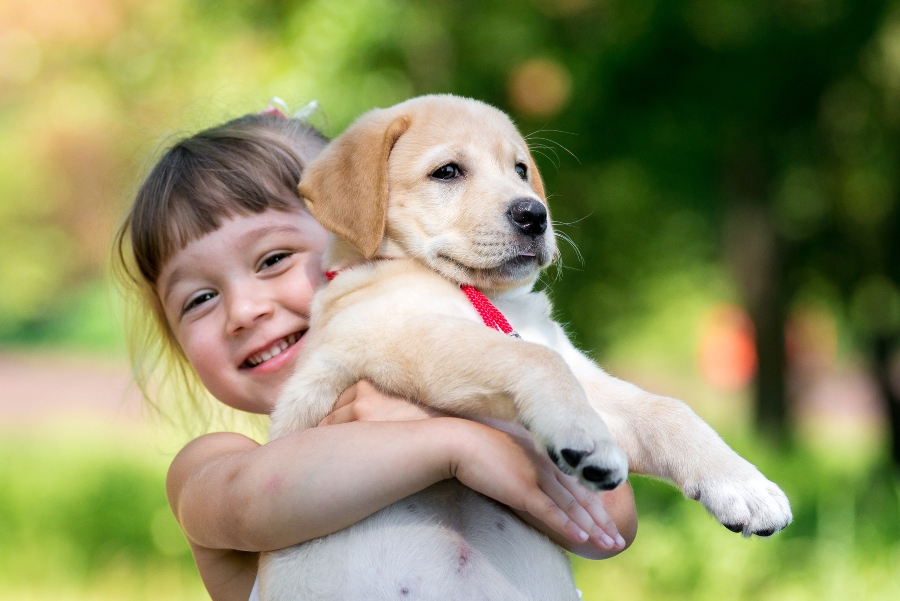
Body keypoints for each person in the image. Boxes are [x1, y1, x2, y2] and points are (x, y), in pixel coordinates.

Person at [113, 107, 638, 601]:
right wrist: (450, 446)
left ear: (370, 233)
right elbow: (252, 500)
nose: (244, 311)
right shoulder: (212, 467)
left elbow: (612, 518)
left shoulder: (493, 385)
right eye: (199, 298)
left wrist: (463, 417)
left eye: (273, 259)